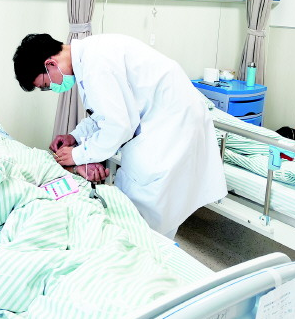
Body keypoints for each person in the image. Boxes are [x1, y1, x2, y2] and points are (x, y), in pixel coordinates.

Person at [13, 33, 227, 238]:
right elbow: (102, 115)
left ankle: (148, 252)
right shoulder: (90, 57)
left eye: (47, 85)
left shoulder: (95, 65)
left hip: (172, 126)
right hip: (165, 120)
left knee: (145, 205)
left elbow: (118, 126)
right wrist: (74, 137)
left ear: (50, 64)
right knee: (140, 202)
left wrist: (77, 156)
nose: (53, 88)